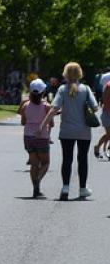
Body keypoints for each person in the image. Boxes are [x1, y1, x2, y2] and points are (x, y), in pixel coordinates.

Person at [40, 62, 99, 201]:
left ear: (65, 74)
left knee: (67, 159)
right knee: (82, 159)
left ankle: (65, 187)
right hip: (83, 131)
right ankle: (82, 188)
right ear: (80, 74)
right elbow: (95, 107)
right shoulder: (86, 89)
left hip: (66, 131)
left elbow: (54, 108)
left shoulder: (62, 89)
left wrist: (43, 125)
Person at [20, 79, 53, 198]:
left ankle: (35, 189)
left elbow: (23, 122)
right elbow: (51, 124)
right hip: (41, 136)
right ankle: (38, 179)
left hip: (28, 136)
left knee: (34, 163)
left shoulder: (25, 105)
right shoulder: (46, 106)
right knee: (45, 162)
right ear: (43, 92)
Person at [94, 68, 110, 158]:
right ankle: (97, 147)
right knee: (109, 134)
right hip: (107, 113)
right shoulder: (108, 85)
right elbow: (104, 99)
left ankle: (101, 148)